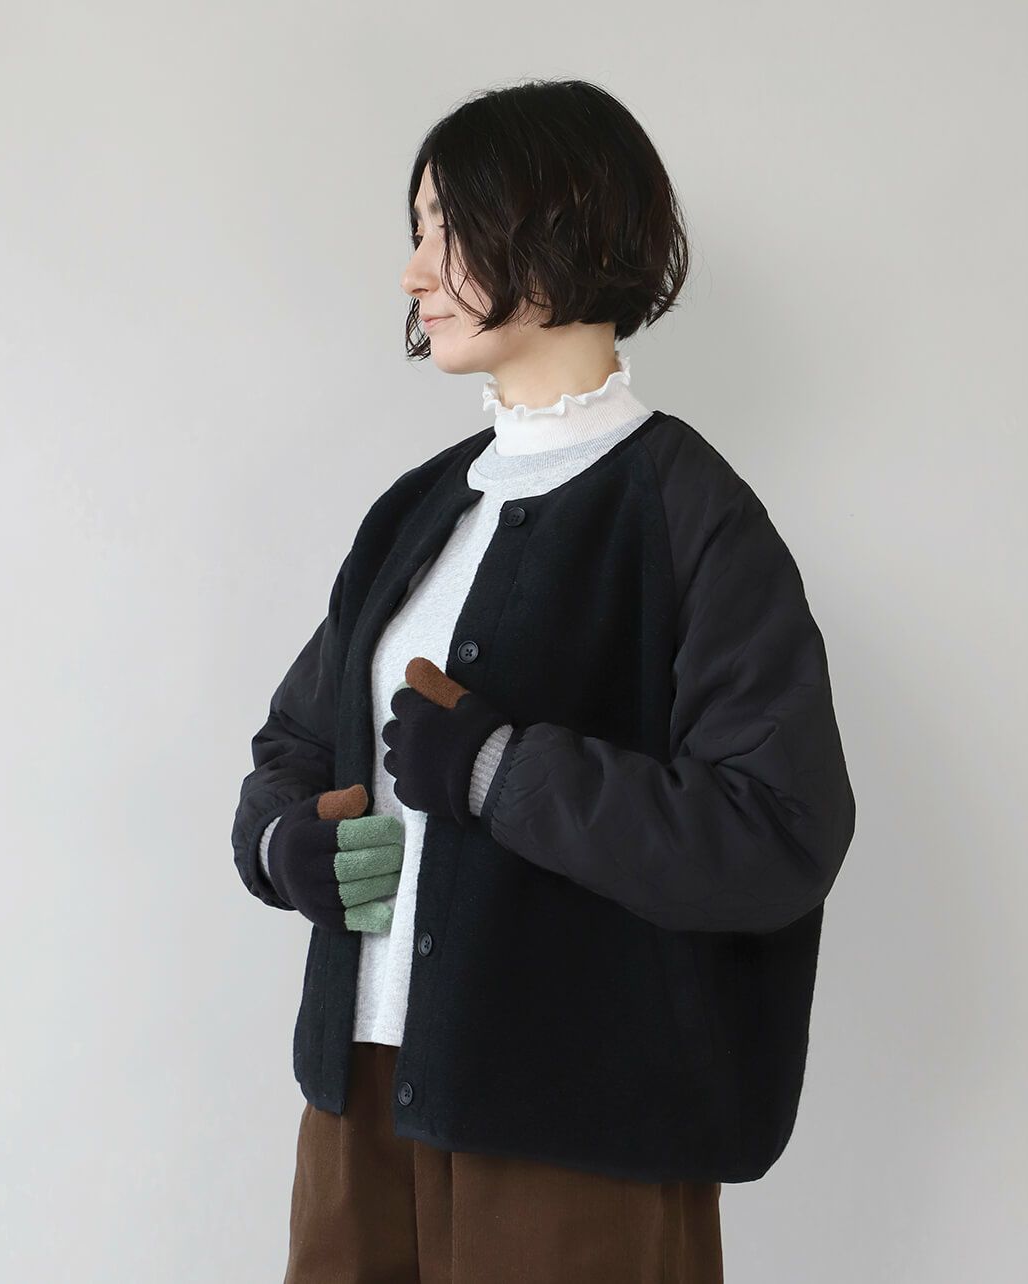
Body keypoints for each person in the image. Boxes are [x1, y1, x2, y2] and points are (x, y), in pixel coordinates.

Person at [231, 78, 856, 1283]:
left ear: (560, 222)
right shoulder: (415, 510)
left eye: (447, 229)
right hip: (358, 1102)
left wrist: (499, 771)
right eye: (415, 230)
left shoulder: (689, 513)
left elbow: (777, 832)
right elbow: (292, 748)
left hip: (573, 1130)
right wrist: (278, 844)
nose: (413, 272)